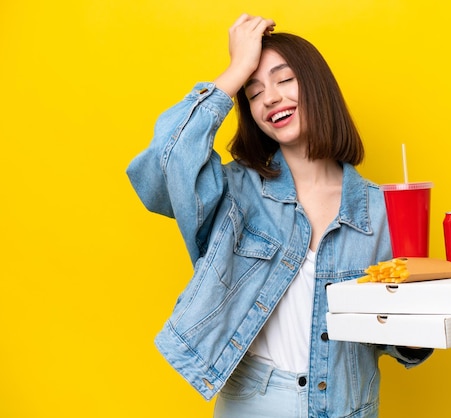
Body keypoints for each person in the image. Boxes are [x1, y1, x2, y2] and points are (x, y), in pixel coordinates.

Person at [127, 13, 433, 418]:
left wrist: (416, 331)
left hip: (347, 406)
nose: (269, 98)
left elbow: (390, 337)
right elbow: (162, 167)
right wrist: (236, 69)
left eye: (284, 79)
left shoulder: (380, 210)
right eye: (253, 93)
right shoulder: (234, 193)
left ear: (317, 86)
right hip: (254, 403)